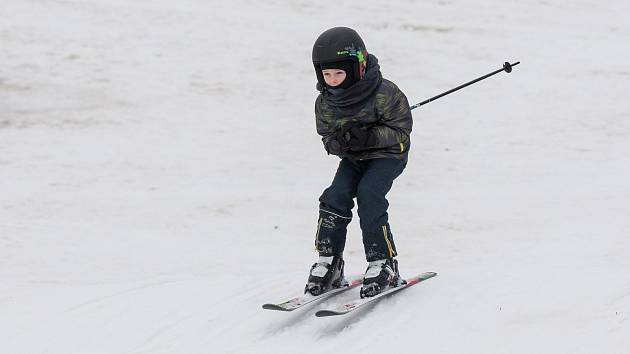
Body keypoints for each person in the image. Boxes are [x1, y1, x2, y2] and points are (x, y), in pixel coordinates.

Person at [305, 27, 413, 298]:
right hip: (355, 158)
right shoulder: (326, 102)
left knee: (369, 193)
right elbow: (326, 137)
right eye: (326, 74)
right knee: (335, 196)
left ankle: (383, 262)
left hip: (388, 156)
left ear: (357, 67)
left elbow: (401, 132)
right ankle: (329, 260)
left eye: (339, 73)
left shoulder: (385, 93)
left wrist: (369, 136)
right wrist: (339, 143)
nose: (332, 80)